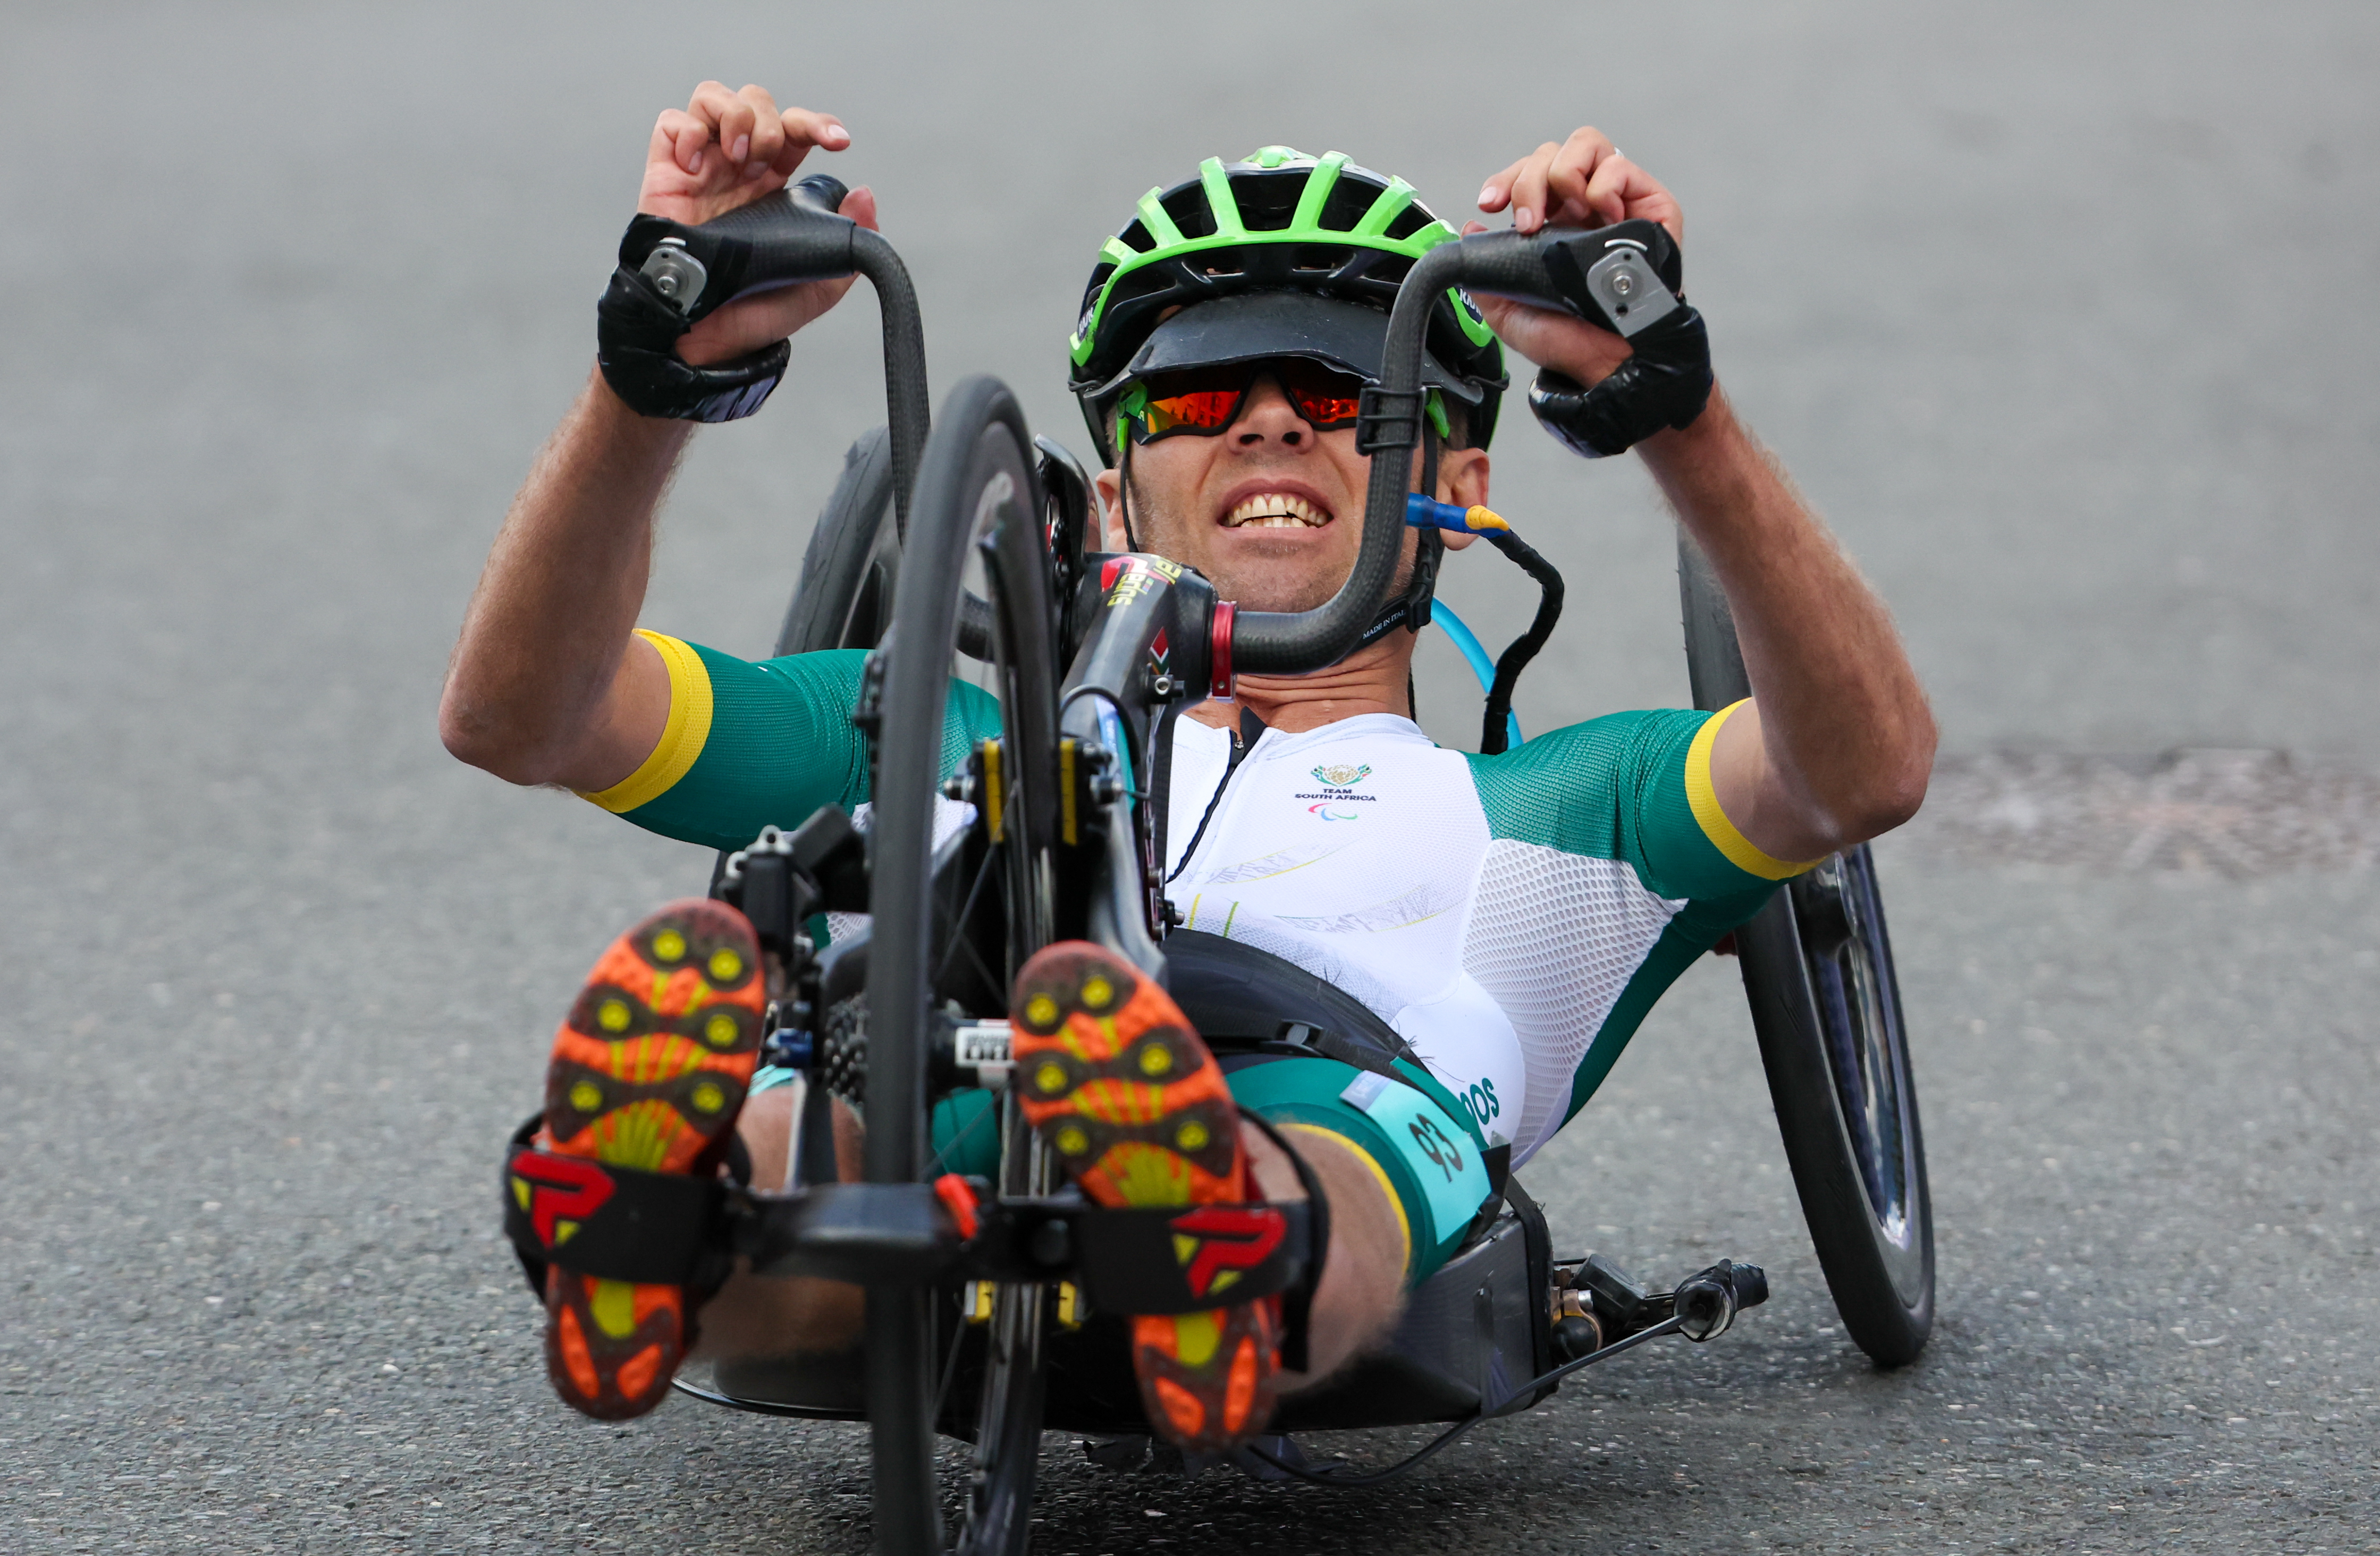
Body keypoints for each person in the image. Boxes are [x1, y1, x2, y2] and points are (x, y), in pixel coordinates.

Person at [441, 83, 1935, 1451]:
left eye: (1342, 395)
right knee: (808, 1128)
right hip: (953, 1047)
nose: (1272, 420)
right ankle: (667, 1218)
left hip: (1331, 1077)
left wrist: (1673, 408)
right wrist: (651, 370)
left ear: (1458, 485)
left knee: (1330, 1151)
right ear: (1110, 498)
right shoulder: (924, 731)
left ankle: (1208, 1234)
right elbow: (526, 713)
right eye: (1201, 398)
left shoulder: (1558, 814)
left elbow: (1860, 768)